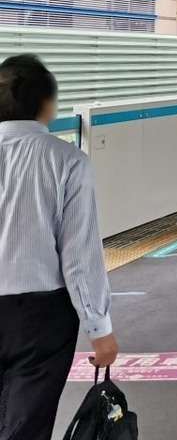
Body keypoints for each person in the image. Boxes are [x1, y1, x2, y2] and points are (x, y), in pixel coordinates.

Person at [0, 54, 117, 440]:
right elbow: (79, 255)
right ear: (47, 105)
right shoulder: (67, 161)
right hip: (41, 318)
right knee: (26, 425)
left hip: (36, 314)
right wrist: (99, 327)